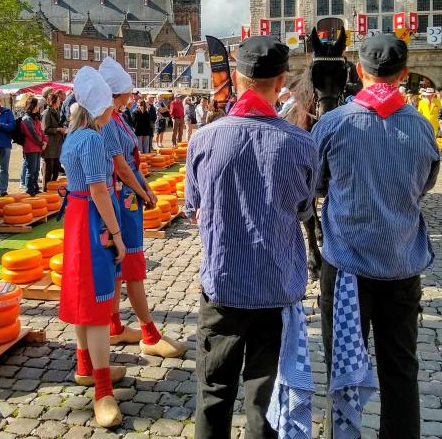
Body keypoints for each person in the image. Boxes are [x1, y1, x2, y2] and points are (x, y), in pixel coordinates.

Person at [185, 35, 318, 439]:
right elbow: (304, 209)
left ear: (238, 79)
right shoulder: (300, 142)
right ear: (281, 83)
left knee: (214, 393)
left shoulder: (205, 138)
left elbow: (194, 209)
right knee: (265, 400)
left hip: (224, 284)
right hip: (276, 286)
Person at [312, 34, 440, 439]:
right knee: (401, 368)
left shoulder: (333, 124)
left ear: (359, 70)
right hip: (402, 264)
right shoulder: (421, 127)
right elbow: (425, 185)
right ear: (403, 73)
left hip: (348, 266)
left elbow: (313, 185)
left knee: (344, 370)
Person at [98, 57, 187, 357]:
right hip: (123, 200)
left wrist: (145, 187)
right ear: (116, 93)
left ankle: (114, 327)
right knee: (131, 264)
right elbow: (120, 166)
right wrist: (144, 192)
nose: (131, 96)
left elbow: (131, 164)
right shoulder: (109, 121)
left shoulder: (118, 116)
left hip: (129, 195)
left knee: (121, 266)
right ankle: (149, 334)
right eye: (126, 92)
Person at [59, 67, 126, 429]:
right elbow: (100, 190)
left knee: (85, 299)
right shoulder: (94, 139)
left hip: (77, 218)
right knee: (98, 302)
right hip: (92, 222)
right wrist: (116, 234)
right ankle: (102, 390)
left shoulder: (73, 137)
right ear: (101, 107)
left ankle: (85, 365)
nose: (114, 110)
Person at [21, 98, 48, 197]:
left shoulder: (35, 118)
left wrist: (45, 141)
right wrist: (42, 143)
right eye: (37, 105)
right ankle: (29, 189)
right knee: (31, 170)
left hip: (37, 147)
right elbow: (32, 134)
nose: (39, 106)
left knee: (36, 170)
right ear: (33, 106)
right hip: (30, 148)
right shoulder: (27, 119)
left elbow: (41, 131)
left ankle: (35, 187)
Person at [41, 93, 66, 191]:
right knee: (48, 171)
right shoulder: (47, 112)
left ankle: (52, 190)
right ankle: (45, 190)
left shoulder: (56, 111)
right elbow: (45, 129)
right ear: (54, 101)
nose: (60, 102)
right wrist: (58, 129)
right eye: (59, 100)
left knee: (56, 170)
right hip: (50, 146)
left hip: (56, 146)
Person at [0, 93, 16, 196]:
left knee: (4, 168)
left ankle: (2, 191)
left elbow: (12, 126)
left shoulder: (7, 112)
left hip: (5, 143)